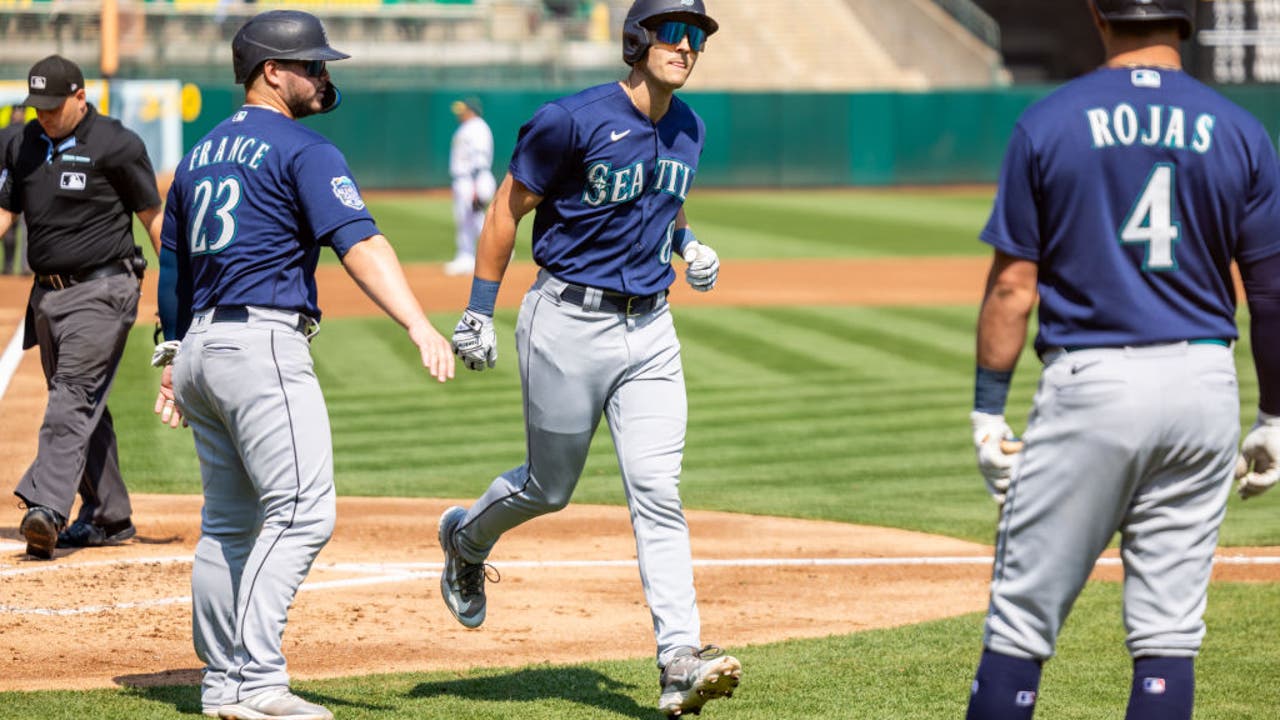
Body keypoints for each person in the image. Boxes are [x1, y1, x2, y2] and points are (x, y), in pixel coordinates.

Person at [964, 2, 1280, 719]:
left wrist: (988, 409)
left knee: (1020, 624)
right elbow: (1272, 292)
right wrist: (1273, 416)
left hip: (1094, 383)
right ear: (1186, 19)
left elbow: (1014, 287)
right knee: (1169, 634)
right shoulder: (1240, 129)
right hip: (1204, 384)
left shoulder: (1049, 121)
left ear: (1098, 14)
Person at [437, 1, 740, 716]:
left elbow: (666, 202)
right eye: (674, 32)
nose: (687, 47)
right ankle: (466, 542)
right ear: (637, 39)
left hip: (652, 333)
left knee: (658, 491)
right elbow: (508, 207)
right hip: (567, 322)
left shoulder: (689, 127)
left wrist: (686, 245)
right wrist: (479, 308)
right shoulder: (570, 120)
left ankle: (678, 659)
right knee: (549, 487)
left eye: (697, 36)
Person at [153, 10, 455, 720]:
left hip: (199, 346)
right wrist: (416, 322)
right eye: (313, 65)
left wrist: (171, 354)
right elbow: (360, 244)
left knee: (229, 524)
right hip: (260, 346)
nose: (324, 76)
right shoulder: (304, 148)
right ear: (271, 72)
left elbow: (174, 267)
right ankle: (258, 682)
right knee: (302, 514)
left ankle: (222, 685)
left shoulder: (199, 154)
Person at [0, 55, 161, 560]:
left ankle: (47, 507)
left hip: (104, 289)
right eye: (36, 106)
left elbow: (155, 221)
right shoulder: (20, 142)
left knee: (70, 395)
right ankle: (110, 514)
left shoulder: (117, 144)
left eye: (52, 107)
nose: (43, 116)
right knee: (82, 400)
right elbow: (4, 213)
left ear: (79, 97)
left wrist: (180, 298)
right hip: (46, 297)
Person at [443, 95, 496, 276]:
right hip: (468, 179)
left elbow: (479, 158)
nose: (460, 114)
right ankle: (471, 255)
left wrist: (475, 186)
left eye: (463, 111)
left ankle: (470, 256)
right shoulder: (469, 127)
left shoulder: (477, 128)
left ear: (470, 111)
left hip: (473, 179)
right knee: (471, 219)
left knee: (470, 219)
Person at [1, 103, 31, 276]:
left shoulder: (2, 133)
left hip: (6, 185)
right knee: (27, 229)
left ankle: (8, 266)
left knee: (8, 227)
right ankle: (26, 267)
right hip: (28, 185)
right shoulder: (31, 134)